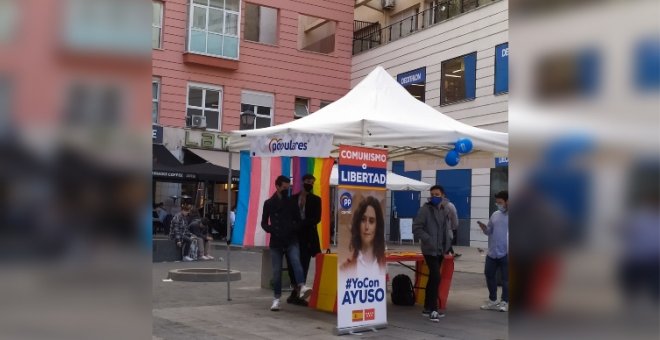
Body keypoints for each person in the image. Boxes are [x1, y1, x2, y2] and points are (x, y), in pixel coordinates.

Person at [261, 175, 312, 311]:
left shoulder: (291, 202)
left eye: (288, 188)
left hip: (290, 238)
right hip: (276, 241)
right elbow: (264, 222)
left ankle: (301, 286)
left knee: (296, 261)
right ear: (277, 186)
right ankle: (276, 298)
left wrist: (293, 228)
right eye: (284, 188)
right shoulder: (269, 203)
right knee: (276, 271)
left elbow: (298, 219)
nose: (286, 190)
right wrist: (272, 229)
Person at [412, 185, 455, 322]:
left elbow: (447, 228)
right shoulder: (425, 210)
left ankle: (426, 307)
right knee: (436, 277)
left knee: (433, 278)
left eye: (437, 194)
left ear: (443, 195)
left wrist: (448, 244)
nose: (434, 197)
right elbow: (416, 228)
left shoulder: (444, 209)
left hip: (440, 250)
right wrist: (428, 239)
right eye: (432, 194)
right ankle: (434, 309)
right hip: (429, 249)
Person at [286, 174, 322, 306]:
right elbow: (288, 216)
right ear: (302, 182)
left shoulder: (316, 200)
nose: (310, 184)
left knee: (304, 264)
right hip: (293, 236)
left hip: (307, 237)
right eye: (308, 181)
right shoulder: (292, 199)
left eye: (312, 182)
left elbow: (317, 218)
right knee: (292, 264)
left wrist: (301, 223)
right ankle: (296, 291)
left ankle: (299, 293)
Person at [339, 196, 386, 277]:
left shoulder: (382, 264)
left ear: (377, 226)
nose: (367, 227)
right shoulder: (346, 268)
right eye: (363, 220)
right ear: (358, 223)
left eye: (371, 221)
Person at [478, 190, 509, 313]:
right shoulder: (495, 214)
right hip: (492, 252)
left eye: (500, 202)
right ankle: (493, 300)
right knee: (489, 274)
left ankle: (505, 301)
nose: (498, 205)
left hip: (506, 253)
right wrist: (484, 228)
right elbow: (489, 231)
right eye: (497, 203)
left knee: (506, 279)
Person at [437, 186, 461, 258]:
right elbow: (455, 219)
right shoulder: (450, 205)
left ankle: (450, 255)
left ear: (443, 195)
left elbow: (454, 219)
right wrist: (453, 228)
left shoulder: (448, 205)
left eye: (437, 194)